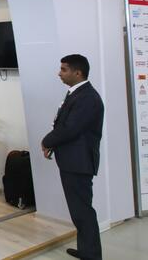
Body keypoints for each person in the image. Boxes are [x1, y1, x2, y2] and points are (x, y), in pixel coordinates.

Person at [42, 54, 104, 260]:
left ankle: (92, 255)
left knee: (82, 211)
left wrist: (47, 141)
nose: (59, 73)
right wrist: (53, 143)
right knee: (78, 210)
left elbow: (70, 129)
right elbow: (64, 125)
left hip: (79, 162)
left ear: (78, 73)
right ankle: (86, 250)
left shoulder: (88, 98)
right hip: (72, 160)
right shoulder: (76, 93)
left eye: (64, 69)